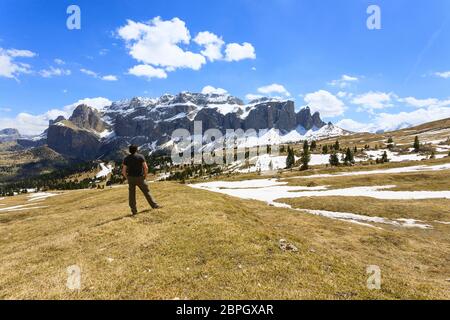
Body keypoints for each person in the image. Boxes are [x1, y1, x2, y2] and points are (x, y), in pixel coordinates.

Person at [122, 145, 160, 215]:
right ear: (136, 150)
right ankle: (154, 205)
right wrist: (145, 176)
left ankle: (134, 211)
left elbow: (123, 171)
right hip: (140, 177)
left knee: (131, 195)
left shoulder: (126, 158)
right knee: (147, 192)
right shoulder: (140, 156)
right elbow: (146, 168)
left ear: (129, 151)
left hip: (131, 178)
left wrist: (128, 178)